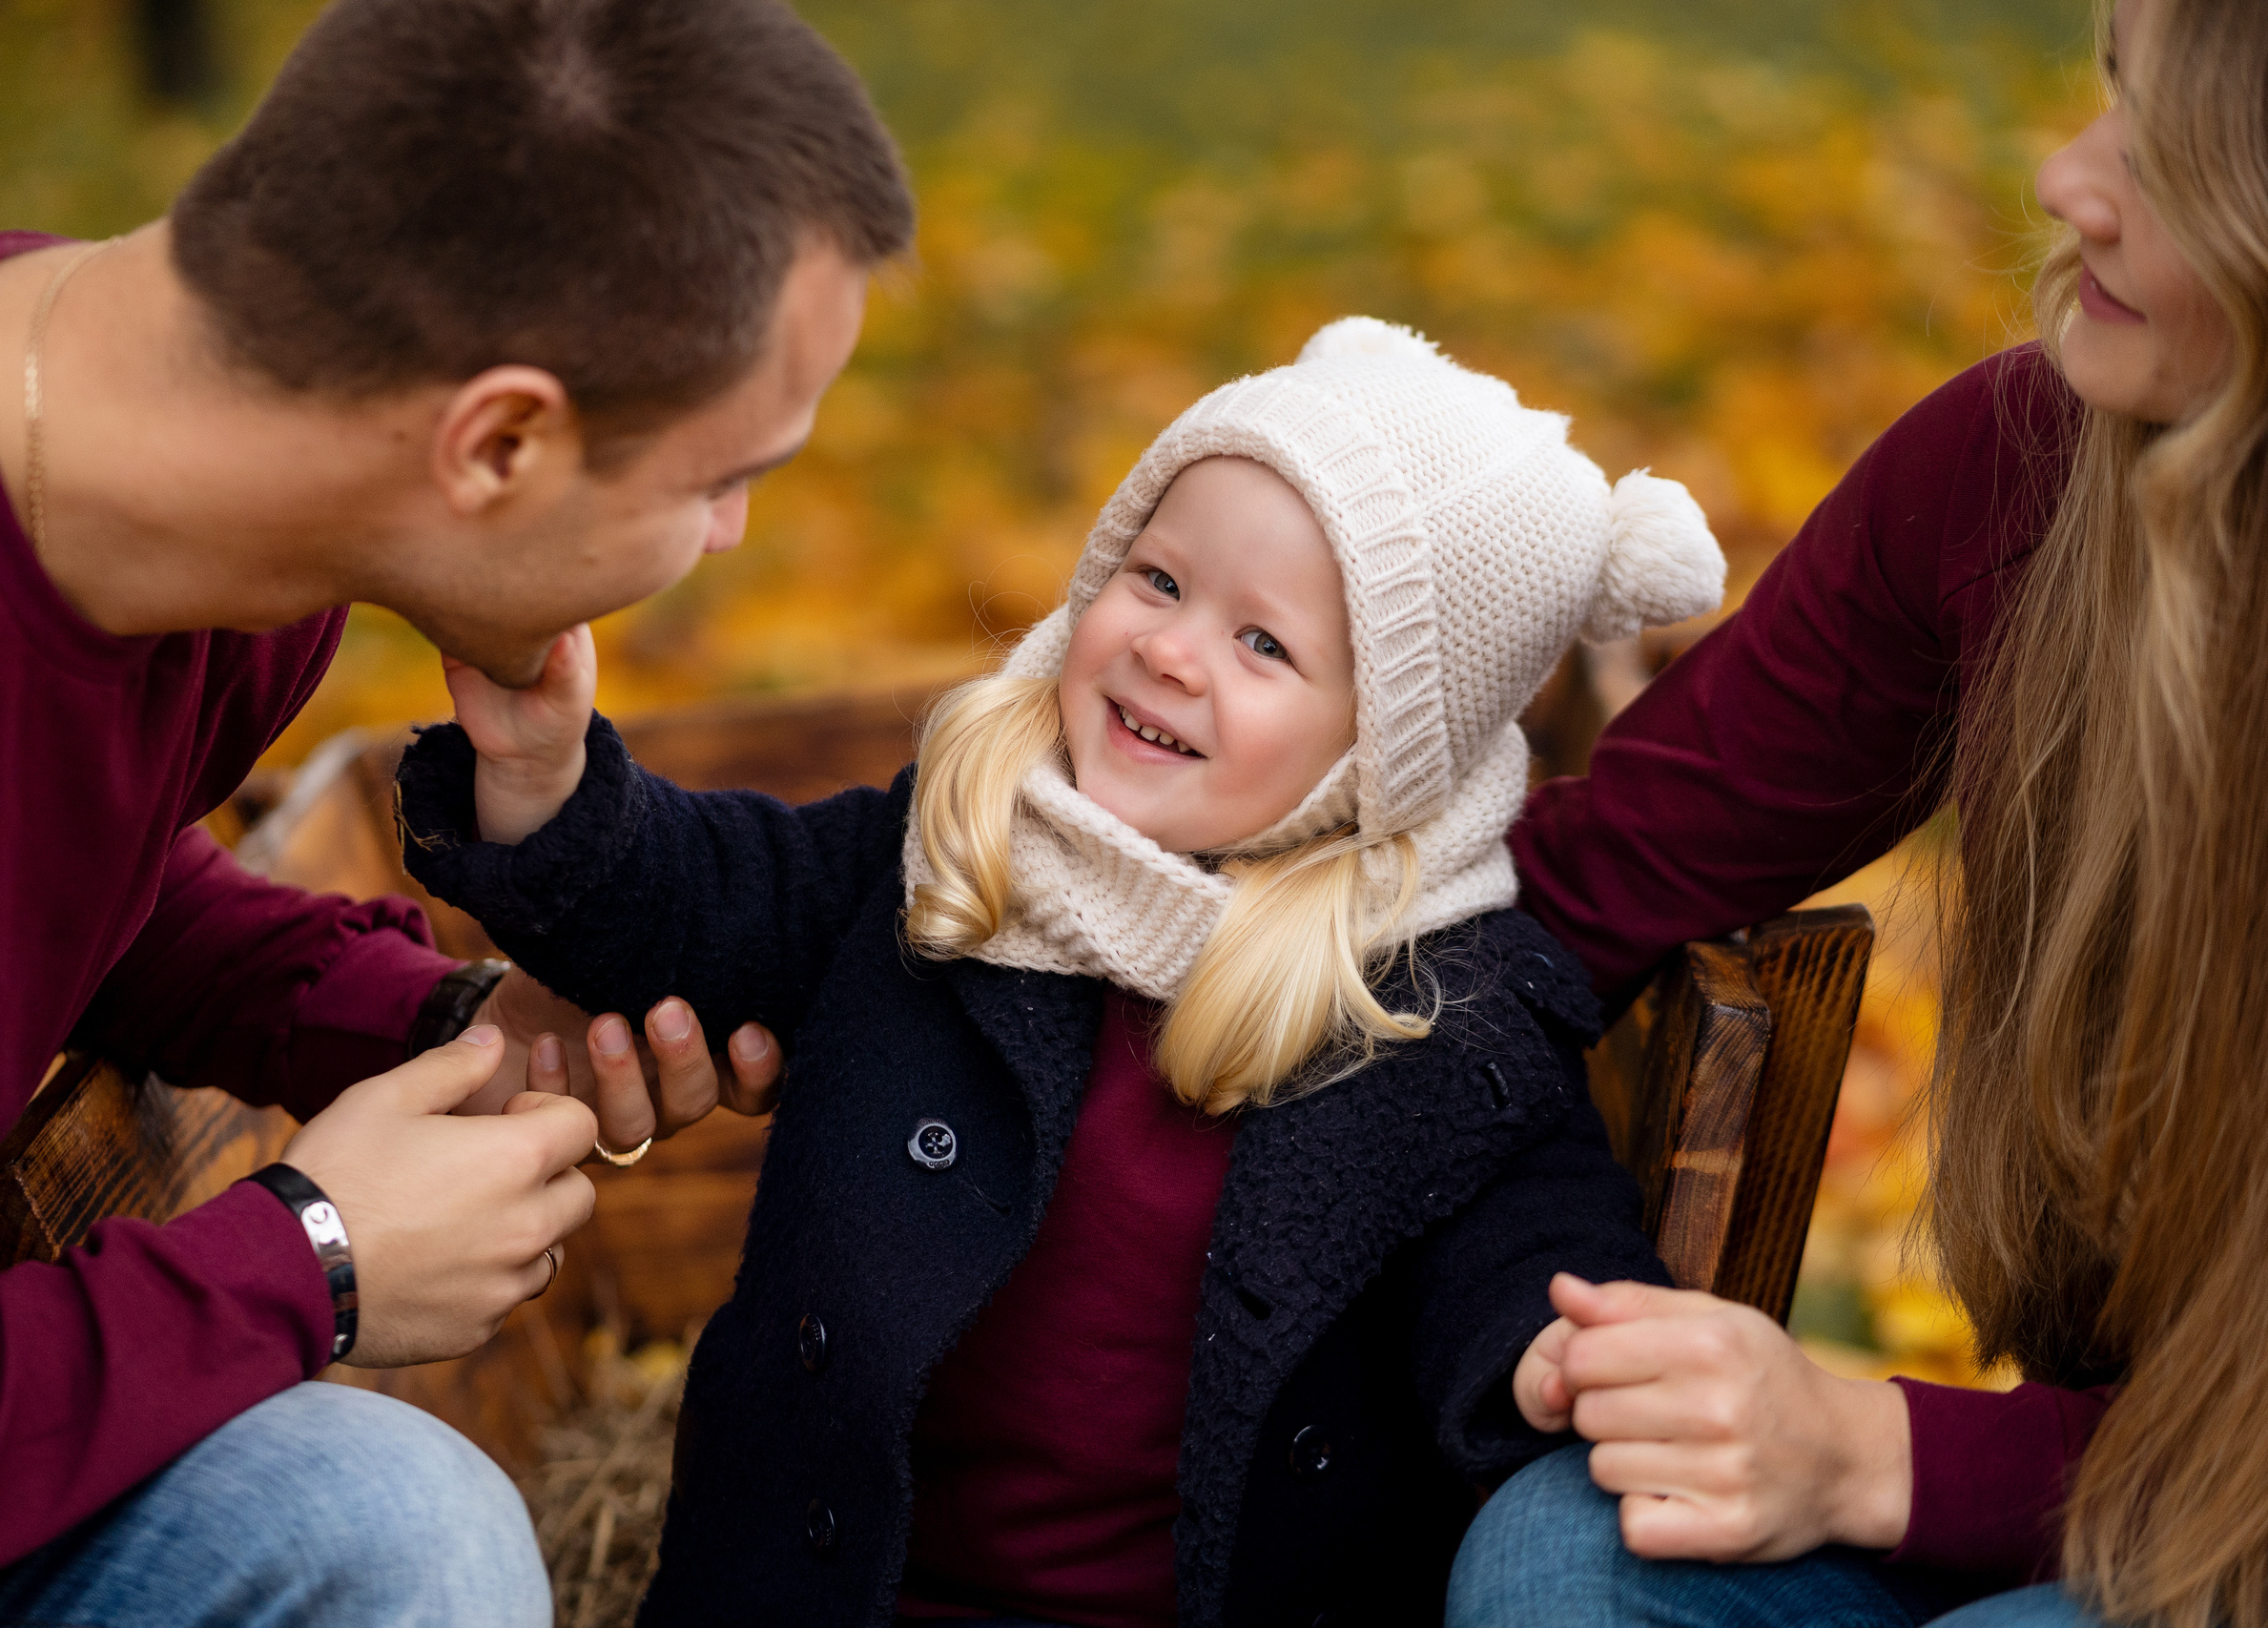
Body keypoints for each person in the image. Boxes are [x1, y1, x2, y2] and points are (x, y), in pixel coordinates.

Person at [0, 0, 911, 1622]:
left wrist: (449, 1028)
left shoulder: (216, 496)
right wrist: (304, 1262)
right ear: (499, 443)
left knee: (380, 1522)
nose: (735, 536)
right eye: (717, 479)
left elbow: (57, 875)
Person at [396, 317, 1728, 1627]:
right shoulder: (957, 855)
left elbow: (1531, 1236)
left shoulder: (1442, 1011)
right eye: (1158, 580)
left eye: (1264, 645)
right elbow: (701, 899)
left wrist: (1547, 1353)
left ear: (1382, 759)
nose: (1169, 648)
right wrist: (547, 785)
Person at [1447, 1, 2258, 1625]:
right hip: (2092, 1486)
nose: (2070, 180)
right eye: (2111, 94)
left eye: (2173, 152)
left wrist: (1871, 1452)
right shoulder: (2022, 477)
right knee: (1568, 1564)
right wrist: (981, 968)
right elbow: (1577, 888)